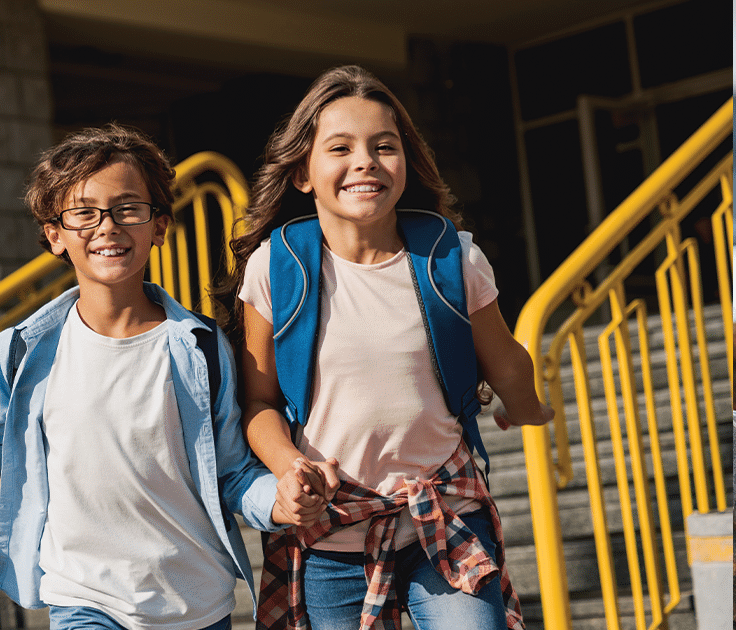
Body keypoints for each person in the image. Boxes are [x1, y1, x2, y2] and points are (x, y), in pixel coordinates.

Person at [0, 124, 324, 630]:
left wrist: (280, 500)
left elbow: (231, 472)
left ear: (159, 227)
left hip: (196, 603)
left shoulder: (202, 347)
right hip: (82, 598)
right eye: (84, 212)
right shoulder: (23, 351)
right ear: (56, 235)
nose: (107, 226)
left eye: (128, 209)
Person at [223, 65, 555, 630]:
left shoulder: (454, 259)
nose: (365, 162)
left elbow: (508, 365)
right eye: (340, 148)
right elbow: (258, 404)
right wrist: (290, 466)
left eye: (384, 146)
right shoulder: (275, 270)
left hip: (445, 515)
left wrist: (525, 406)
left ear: (408, 162)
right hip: (332, 530)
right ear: (302, 172)